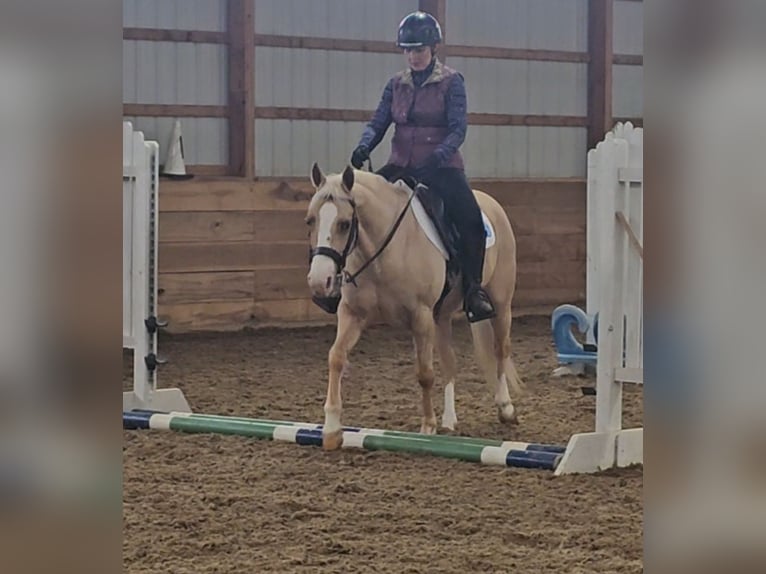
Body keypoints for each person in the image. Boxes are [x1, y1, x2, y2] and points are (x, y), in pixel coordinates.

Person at [349, 11, 496, 323]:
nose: (413, 56)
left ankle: (473, 291)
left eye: (419, 50)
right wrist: (365, 145)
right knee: (356, 207)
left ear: (433, 49)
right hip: (400, 165)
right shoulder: (395, 85)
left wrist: (438, 157)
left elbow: (458, 129)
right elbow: (378, 122)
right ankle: (345, 283)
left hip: (441, 168)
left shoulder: (452, 82)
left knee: (469, 219)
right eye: (408, 50)